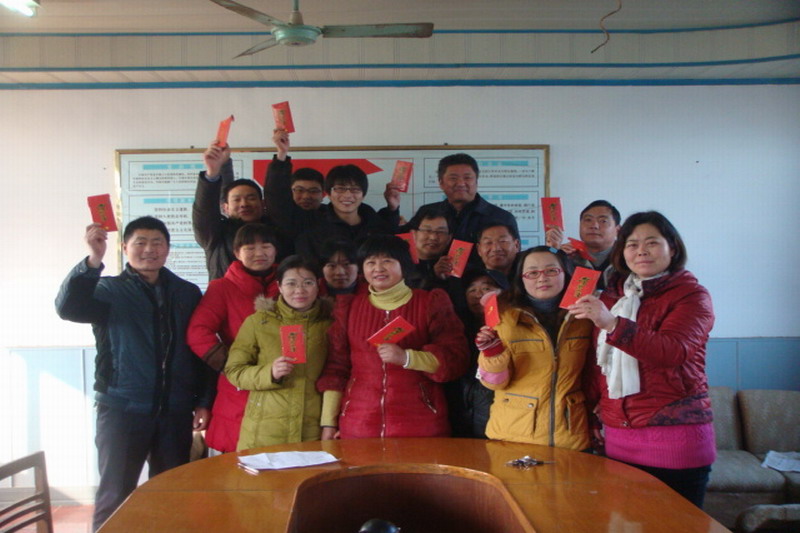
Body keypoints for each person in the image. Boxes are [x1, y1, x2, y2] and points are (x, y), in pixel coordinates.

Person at [55, 216, 214, 531]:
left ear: (168, 248)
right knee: (115, 493)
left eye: (157, 243)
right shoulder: (107, 290)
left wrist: (203, 400)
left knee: (172, 492)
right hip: (122, 408)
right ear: (125, 248)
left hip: (174, 411)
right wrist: (93, 260)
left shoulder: (186, 293)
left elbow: (199, 349)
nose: (149, 250)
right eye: (140, 242)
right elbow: (68, 308)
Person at [569, 211, 715, 508]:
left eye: (652, 243)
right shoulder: (613, 297)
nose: (641, 251)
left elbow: (673, 351)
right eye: (632, 244)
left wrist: (612, 325)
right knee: (626, 523)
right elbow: (599, 364)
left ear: (672, 248)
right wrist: (593, 410)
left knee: (678, 525)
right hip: (618, 435)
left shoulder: (692, 295)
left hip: (675, 436)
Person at [316, 235, 469, 439]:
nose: (378, 268)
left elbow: (456, 358)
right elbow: (337, 368)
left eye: (387, 261)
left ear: (403, 265)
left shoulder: (430, 302)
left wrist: (407, 358)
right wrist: (328, 422)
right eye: (370, 262)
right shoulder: (349, 308)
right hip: (359, 422)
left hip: (420, 422)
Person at [475, 246, 592, 450]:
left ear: (566, 273)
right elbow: (494, 383)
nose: (542, 278)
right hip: (512, 434)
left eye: (551, 271)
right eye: (532, 273)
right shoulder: (504, 316)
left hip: (570, 435)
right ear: (521, 279)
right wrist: (492, 352)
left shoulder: (585, 316)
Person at [186, 223, 281, 453]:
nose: (259, 253)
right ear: (237, 253)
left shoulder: (290, 284)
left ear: (275, 250)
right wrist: (232, 363)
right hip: (240, 387)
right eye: (250, 247)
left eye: (266, 246)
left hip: (284, 378)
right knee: (238, 459)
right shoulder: (222, 288)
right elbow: (198, 332)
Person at [225, 255, 333, 450]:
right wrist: (269, 373)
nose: (299, 290)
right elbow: (234, 371)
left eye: (308, 283)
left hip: (312, 430)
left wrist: (329, 423)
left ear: (318, 285)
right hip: (263, 432)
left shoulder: (330, 325)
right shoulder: (258, 322)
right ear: (279, 286)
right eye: (291, 283)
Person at [193, 141, 275, 280]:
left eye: (251, 198)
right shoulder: (215, 235)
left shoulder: (275, 231)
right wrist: (213, 173)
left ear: (262, 204)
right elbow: (204, 212)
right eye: (236, 200)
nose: (244, 204)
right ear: (225, 208)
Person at [396, 153, 518, 245]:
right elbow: (399, 244)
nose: (460, 183)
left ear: (476, 182)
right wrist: (393, 209)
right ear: (441, 183)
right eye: (453, 178)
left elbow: (512, 257)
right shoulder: (426, 212)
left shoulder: (502, 217)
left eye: (467, 178)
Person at [445, 267, 506, 438]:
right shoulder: (456, 326)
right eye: (471, 290)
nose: (478, 294)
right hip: (461, 406)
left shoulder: (512, 326)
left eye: (486, 288)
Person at [296, 164, 397, 261]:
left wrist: (393, 208)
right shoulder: (314, 228)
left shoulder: (376, 226)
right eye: (340, 189)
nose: (348, 195)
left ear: (363, 195)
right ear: (329, 194)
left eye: (355, 189)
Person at [263, 129, 327, 253]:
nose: (306, 196)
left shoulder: (330, 217)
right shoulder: (284, 216)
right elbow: (275, 193)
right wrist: (282, 153)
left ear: (323, 194)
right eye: (299, 190)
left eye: (313, 191)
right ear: (289, 191)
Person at [546, 199, 621, 289]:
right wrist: (554, 250)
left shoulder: (627, 256)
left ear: (617, 230)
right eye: (588, 220)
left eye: (603, 221)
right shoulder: (568, 253)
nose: (594, 226)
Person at [406, 205, 454, 291]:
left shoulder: (454, 266)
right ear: (413, 234)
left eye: (441, 232)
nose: (433, 237)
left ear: (449, 238)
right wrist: (433, 275)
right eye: (427, 230)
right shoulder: (400, 264)